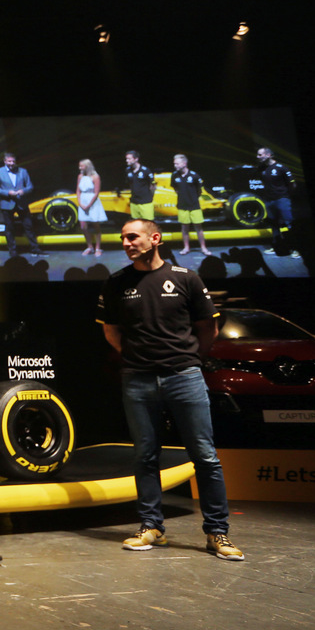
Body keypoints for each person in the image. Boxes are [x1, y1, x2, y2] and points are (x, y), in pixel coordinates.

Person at [97, 219, 243, 561]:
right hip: (138, 378)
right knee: (145, 455)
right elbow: (111, 331)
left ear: (155, 239)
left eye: (132, 237)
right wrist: (136, 358)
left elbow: (208, 327)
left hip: (184, 377)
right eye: (123, 238)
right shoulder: (117, 282)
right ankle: (151, 527)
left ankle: (217, 533)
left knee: (205, 457)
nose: (126, 243)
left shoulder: (185, 277)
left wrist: (189, 360)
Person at [0, 152, 42, 256]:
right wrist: (7, 193)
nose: (12, 163)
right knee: (9, 228)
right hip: (7, 203)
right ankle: (13, 251)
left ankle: (35, 249)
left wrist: (23, 191)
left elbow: (30, 187)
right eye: (9, 161)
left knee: (29, 226)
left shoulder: (23, 171)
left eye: (13, 161)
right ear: (5, 161)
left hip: (21, 203)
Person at [256, 147, 298, 258]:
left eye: (260, 155)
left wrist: (285, 197)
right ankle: (277, 246)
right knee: (274, 225)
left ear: (269, 155)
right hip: (269, 201)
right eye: (258, 155)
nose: (257, 157)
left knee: (289, 224)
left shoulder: (281, 168)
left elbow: (292, 184)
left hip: (282, 199)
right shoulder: (261, 169)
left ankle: (295, 249)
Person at [170, 154, 209, 256]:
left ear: (184, 163)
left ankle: (203, 248)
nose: (175, 166)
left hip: (194, 206)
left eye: (177, 163)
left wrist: (192, 198)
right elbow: (176, 188)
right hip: (182, 206)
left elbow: (199, 191)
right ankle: (186, 247)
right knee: (184, 228)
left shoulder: (194, 175)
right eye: (174, 164)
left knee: (198, 228)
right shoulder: (174, 175)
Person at [76, 158, 107, 256]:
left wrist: (89, 205)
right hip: (83, 201)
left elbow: (96, 192)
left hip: (92, 202)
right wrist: (80, 203)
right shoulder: (80, 176)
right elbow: (78, 190)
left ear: (87, 166)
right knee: (83, 226)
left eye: (82, 166)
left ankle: (98, 248)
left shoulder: (95, 177)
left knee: (95, 225)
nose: (80, 168)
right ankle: (89, 247)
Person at [124, 150, 156, 223]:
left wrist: (150, 196)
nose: (127, 160)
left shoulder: (146, 170)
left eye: (129, 159)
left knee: (148, 224)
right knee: (136, 224)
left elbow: (153, 185)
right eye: (126, 159)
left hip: (145, 202)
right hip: (134, 202)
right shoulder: (128, 170)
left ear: (136, 159)